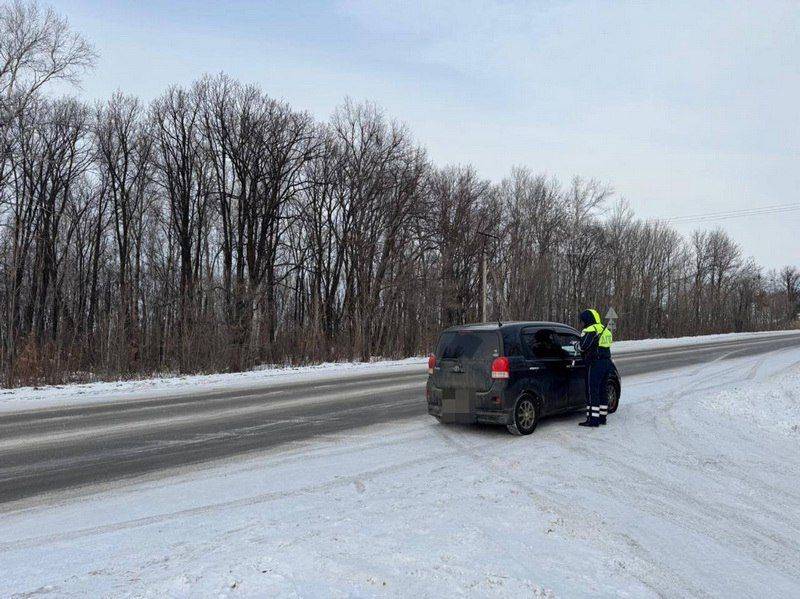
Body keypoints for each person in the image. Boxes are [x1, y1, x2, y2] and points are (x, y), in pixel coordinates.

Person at [578, 308, 613, 427]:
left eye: (583, 320)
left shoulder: (590, 329)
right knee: (602, 390)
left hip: (595, 364)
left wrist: (576, 346)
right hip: (607, 362)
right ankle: (602, 417)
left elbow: (583, 346)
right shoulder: (605, 329)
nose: (582, 323)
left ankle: (593, 420)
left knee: (592, 391)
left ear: (588, 319)